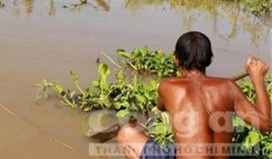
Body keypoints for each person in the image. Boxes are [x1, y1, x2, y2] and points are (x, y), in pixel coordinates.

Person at [116, 31, 271, 159]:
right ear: (210, 58)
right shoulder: (228, 87)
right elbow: (266, 124)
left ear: (176, 59)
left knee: (126, 134)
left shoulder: (167, 86)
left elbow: (160, 107)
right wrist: (257, 78)